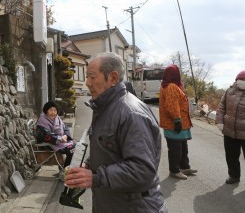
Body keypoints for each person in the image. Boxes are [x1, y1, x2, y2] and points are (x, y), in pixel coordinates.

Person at [64, 52, 166, 212]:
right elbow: (108, 149)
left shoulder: (131, 113)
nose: (87, 83)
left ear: (112, 78)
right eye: (86, 77)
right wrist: (88, 166)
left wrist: (96, 177)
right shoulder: (105, 108)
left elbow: (143, 170)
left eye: (92, 76)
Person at [158, 64, 197, 180]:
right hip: (174, 124)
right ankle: (174, 170)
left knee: (183, 146)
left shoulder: (170, 86)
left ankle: (184, 167)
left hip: (179, 124)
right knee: (176, 148)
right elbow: (172, 105)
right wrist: (177, 120)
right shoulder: (171, 87)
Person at [216, 70, 245, 185]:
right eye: (240, 80)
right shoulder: (229, 91)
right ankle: (234, 175)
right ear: (236, 80)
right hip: (229, 130)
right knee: (231, 155)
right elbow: (221, 107)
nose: (242, 82)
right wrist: (219, 121)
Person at [35, 101, 75, 167]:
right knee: (71, 151)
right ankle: (65, 169)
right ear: (46, 111)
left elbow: (65, 128)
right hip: (48, 143)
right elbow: (47, 135)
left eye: (55, 110)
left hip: (58, 141)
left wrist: (65, 135)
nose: (53, 113)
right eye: (50, 110)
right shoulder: (42, 121)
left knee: (75, 145)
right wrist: (60, 138)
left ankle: (66, 167)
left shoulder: (58, 118)